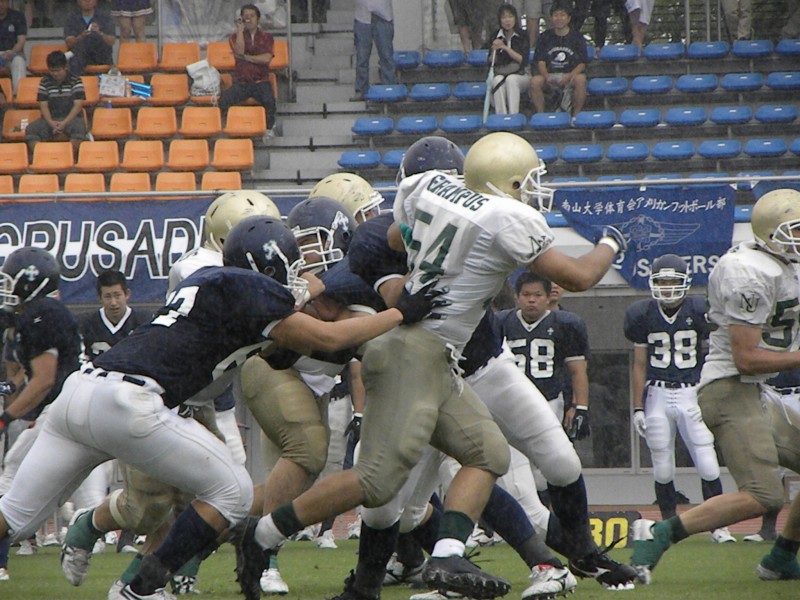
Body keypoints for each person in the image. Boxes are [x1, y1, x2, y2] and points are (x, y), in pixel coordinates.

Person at [235, 131, 629, 600]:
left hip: (444, 360)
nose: (533, 191)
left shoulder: (428, 192)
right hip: (412, 355)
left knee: (489, 454)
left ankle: (446, 554)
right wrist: (612, 241)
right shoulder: (501, 217)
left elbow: (397, 237)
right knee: (375, 484)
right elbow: (580, 277)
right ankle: (262, 536)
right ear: (502, 182)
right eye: (526, 182)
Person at [0, 219, 439, 600]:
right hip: (129, 404)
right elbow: (326, 338)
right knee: (234, 492)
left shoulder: (210, 281)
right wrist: (399, 313)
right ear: (266, 268)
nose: (295, 279)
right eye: (288, 268)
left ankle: (130, 569)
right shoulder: (250, 290)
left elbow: (272, 348)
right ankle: (139, 587)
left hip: (78, 395)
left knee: (14, 517)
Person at [630, 189, 800, 584]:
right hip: (728, 388)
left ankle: (781, 558)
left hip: (755, 390)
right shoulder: (748, 270)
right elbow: (746, 358)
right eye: (795, 229)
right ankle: (661, 531)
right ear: (771, 231)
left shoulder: (787, 266)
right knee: (764, 494)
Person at [624, 254, 735, 543]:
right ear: (653, 283)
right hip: (657, 394)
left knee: (707, 462)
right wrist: (637, 407)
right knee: (662, 466)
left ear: (685, 282)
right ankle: (669, 526)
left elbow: (717, 354)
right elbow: (639, 364)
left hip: (691, 392)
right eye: (662, 282)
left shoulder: (699, 310)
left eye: (673, 281)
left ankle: (719, 526)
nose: (668, 288)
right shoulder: (641, 314)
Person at [0, 247, 82, 583]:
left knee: (12, 472)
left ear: (30, 281)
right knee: (47, 487)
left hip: (66, 406)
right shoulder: (32, 315)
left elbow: (44, 379)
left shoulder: (42, 313)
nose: (6, 288)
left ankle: (2, 562)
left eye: (10, 280)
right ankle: (76, 525)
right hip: (71, 405)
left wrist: (5, 417)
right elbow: (21, 376)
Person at [217, 4, 279, 138]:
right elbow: (239, 51)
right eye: (246, 16)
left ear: (258, 18)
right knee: (223, 100)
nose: (249, 19)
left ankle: (269, 129)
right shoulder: (234, 37)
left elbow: (266, 58)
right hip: (242, 83)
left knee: (270, 101)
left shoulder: (267, 37)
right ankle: (228, 126)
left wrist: (246, 57)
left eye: (252, 16)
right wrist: (240, 30)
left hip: (261, 82)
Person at [24, 50, 87, 158]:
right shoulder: (44, 82)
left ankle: (67, 157)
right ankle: (42, 157)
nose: (55, 74)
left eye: (58, 70)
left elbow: (77, 105)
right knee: (31, 130)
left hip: (71, 119)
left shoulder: (76, 80)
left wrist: (64, 123)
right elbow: (43, 105)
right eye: (52, 71)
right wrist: (51, 122)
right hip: (50, 119)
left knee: (79, 128)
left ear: (65, 67)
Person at [529, 2, 587, 119]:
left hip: (570, 74)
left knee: (581, 79)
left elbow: (582, 64)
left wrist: (569, 76)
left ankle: (575, 116)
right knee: (535, 81)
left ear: (569, 18)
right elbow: (540, 61)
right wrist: (546, 76)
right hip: (550, 75)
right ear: (551, 18)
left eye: (562, 15)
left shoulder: (577, 37)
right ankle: (541, 115)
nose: (559, 18)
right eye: (556, 15)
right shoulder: (545, 37)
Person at [488, 3, 530, 116]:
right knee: (497, 80)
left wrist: (505, 47)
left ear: (515, 18)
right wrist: (494, 50)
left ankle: (513, 115)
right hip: (501, 73)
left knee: (511, 80)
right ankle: (501, 116)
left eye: (510, 16)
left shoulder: (523, 35)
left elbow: (523, 60)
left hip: (521, 74)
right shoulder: (495, 35)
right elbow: (491, 62)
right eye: (504, 17)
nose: (507, 20)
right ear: (500, 20)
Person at [351, 0, 396, 102]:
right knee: (362, 57)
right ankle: (361, 90)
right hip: (362, 15)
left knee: (386, 56)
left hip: (383, 15)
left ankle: (389, 89)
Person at [63, 0, 116, 76]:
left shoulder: (105, 18)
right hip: (79, 56)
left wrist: (99, 33)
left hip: (101, 55)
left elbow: (111, 42)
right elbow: (69, 43)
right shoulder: (72, 19)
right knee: (75, 60)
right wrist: (81, 36)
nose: (87, 1)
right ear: (78, 2)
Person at [0, 0, 26, 94]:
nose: (0, 4)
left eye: (3, 1)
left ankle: (19, 95)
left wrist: (11, 53)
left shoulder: (18, 16)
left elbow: (21, 41)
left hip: (13, 53)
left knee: (19, 61)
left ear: (8, 2)